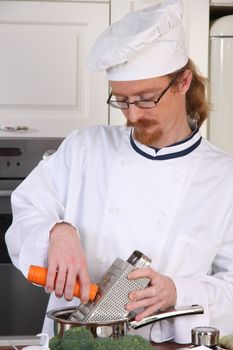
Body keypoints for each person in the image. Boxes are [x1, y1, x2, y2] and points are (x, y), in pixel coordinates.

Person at [5, 0, 233, 344]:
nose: (132, 115)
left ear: (183, 81)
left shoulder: (224, 177)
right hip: (69, 341)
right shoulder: (84, 148)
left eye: (145, 99)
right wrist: (56, 231)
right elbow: (24, 217)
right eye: (122, 100)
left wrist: (178, 292)